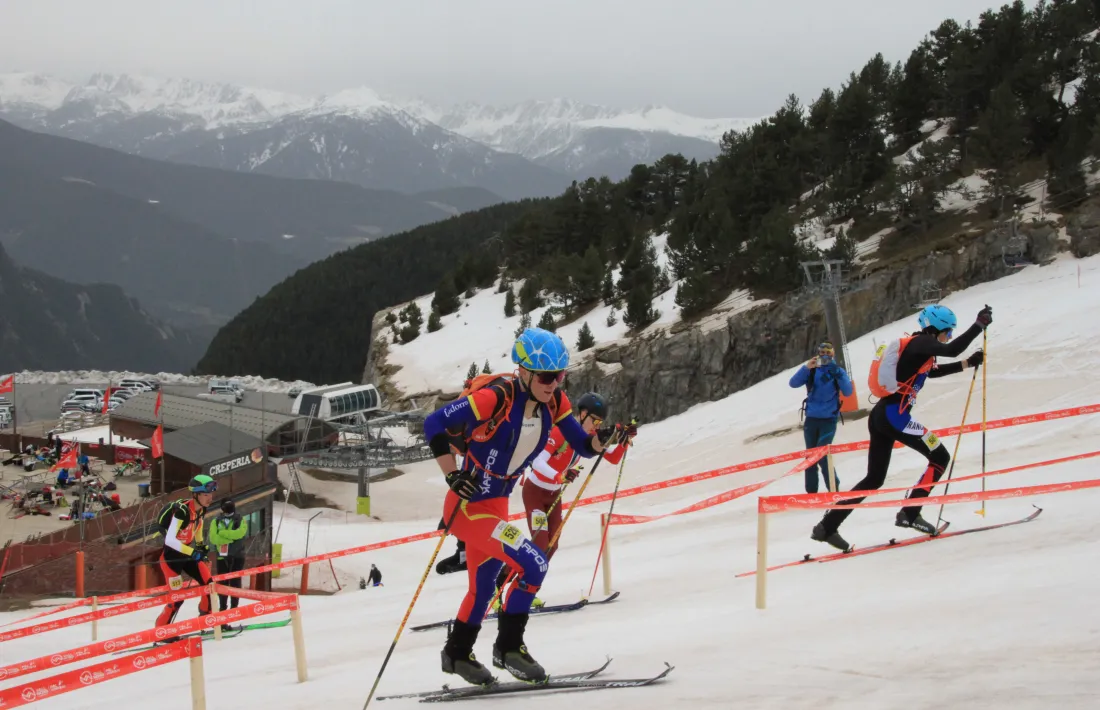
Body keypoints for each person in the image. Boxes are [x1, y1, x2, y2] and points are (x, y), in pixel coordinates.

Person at [422, 327, 614, 686]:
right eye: (545, 376)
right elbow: (434, 423)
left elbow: (582, 446)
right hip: (468, 507)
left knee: (483, 588)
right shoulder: (496, 398)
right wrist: (451, 475)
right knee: (534, 562)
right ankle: (509, 648)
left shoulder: (555, 403)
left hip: (496, 505)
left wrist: (599, 441)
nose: (553, 384)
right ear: (523, 371)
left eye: (559, 375)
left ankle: (457, 653)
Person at [811, 304, 990, 551]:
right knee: (940, 457)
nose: (949, 336)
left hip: (882, 416)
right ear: (936, 328)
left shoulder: (919, 348)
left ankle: (826, 527)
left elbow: (932, 372)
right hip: (895, 417)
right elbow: (951, 350)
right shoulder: (923, 342)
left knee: (874, 478)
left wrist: (967, 364)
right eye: (948, 331)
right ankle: (910, 513)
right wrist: (979, 325)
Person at [493, 392, 634, 606]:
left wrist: (624, 441)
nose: (596, 426)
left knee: (551, 546)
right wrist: (559, 476)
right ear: (583, 414)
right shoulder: (561, 432)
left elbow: (613, 459)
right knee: (539, 544)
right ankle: (500, 585)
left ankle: (526, 588)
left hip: (554, 495)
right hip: (535, 492)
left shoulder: (589, 438)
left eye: (600, 422)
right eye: (594, 420)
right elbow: (537, 462)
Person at [155, 474, 217, 637]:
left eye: (211, 494)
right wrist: (193, 552)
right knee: (177, 598)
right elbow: (170, 540)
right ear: (195, 494)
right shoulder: (182, 512)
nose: (210, 498)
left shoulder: (202, 509)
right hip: (171, 558)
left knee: (209, 585)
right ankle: (162, 632)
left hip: (187, 554)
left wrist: (200, 544)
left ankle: (206, 619)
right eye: (206, 494)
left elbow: (198, 525)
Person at [788, 341, 853, 493]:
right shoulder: (812, 370)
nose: (824, 356)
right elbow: (793, 383)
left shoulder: (838, 371)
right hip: (811, 419)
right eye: (822, 353)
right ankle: (811, 492)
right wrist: (806, 368)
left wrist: (837, 373)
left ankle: (833, 488)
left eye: (828, 353)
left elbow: (848, 391)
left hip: (829, 420)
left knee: (823, 455)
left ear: (833, 354)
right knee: (810, 456)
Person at [208, 498, 248, 628]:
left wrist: (223, 533)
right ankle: (223, 608)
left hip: (237, 555)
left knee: (235, 581)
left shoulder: (240, 519)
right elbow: (213, 538)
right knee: (223, 583)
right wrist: (230, 538)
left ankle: (234, 608)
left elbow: (240, 533)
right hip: (222, 556)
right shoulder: (216, 521)